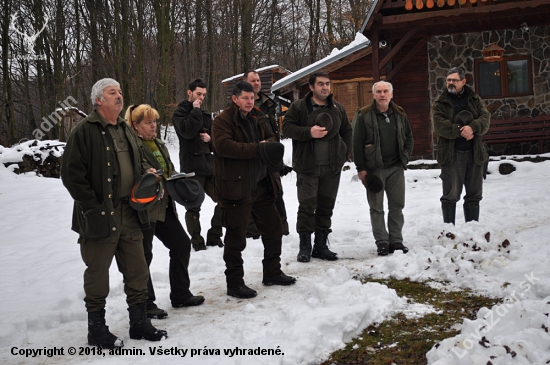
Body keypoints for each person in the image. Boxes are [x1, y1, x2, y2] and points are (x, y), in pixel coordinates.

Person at [61, 78, 167, 349]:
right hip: (99, 216)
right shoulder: (84, 131)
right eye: (113, 93)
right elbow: (72, 176)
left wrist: (149, 173)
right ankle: (96, 330)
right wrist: (92, 208)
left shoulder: (126, 129)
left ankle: (139, 323)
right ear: (99, 100)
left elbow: (143, 159)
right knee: (97, 275)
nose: (119, 96)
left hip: (130, 212)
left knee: (137, 270)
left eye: (120, 92)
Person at [212, 81, 296, 299]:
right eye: (245, 98)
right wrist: (257, 148)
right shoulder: (222, 120)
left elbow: (271, 140)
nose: (250, 102)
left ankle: (272, 272)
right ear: (235, 99)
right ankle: (235, 283)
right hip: (237, 187)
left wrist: (264, 145)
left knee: (273, 229)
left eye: (252, 98)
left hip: (262, 184)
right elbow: (223, 146)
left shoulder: (258, 116)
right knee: (236, 237)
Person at [126, 104, 205, 319]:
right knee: (144, 256)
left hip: (165, 207)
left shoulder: (158, 143)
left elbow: (169, 169)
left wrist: (181, 178)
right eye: (148, 122)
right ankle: (146, 303)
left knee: (181, 245)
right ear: (136, 126)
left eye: (155, 122)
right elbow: (136, 175)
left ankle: (180, 294)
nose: (153, 126)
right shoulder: (132, 146)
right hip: (146, 210)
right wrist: (149, 175)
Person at [282, 71, 352, 263]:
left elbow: (347, 131)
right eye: (320, 84)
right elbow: (286, 128)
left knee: (326, 207)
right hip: (307, 167)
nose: (325, 88)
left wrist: (344, 154)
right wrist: (308, 132)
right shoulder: (299, 107)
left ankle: (321, 246)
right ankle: (305, 246)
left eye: (327, 84)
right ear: (311, 87)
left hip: (331, 168)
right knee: (306, 207)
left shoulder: (337, 108)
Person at [352, 81, 414, 256]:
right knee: (376, 208)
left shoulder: (400, 113)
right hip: (374, 169)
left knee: (397, 206)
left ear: (391, 94)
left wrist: (405, 159)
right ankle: (382, 242)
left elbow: (409, 137)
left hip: (396, 168)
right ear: (373, 95)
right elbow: (356, 144)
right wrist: (361, 169)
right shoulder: (363, 115)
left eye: (385, 91)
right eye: (378, 91)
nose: (382, 94)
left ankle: (396, 241)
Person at [432, 67, 490, 224]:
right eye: (448, 80)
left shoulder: (474, 99)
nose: (450, 83)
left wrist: (473, 127)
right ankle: (449, 232)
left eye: (454, 80)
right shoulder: (440, 102)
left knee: (474, 194)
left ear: (463, 82)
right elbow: (439, 125)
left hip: (474, 153)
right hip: (452, 155)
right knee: (450, 195)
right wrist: (460, 131)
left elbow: (485, 119)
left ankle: (472, 232)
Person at [172, 78, 223, 251]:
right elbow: (188, 131)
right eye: (198, 94)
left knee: (225, 199)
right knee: (193, 207)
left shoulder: (206, 114)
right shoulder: (179, 113)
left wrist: (210, 140)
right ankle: (197, 242)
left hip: (208, 165)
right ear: (189, 92)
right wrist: (195, 111)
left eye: (203, 95)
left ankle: (215, 236)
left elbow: (215, 140)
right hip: (191, 166)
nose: (201, 97)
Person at [242, 70, 290, 237]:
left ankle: (282, 229)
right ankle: (252, 233)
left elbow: (274, 132)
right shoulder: (237, 108)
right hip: (250, 158)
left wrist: (277, 157)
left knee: (277, 192)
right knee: (251, 194)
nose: (256, 83)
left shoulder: (268, 104)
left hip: (270, 156)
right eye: (252, 80)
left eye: (258, 80)